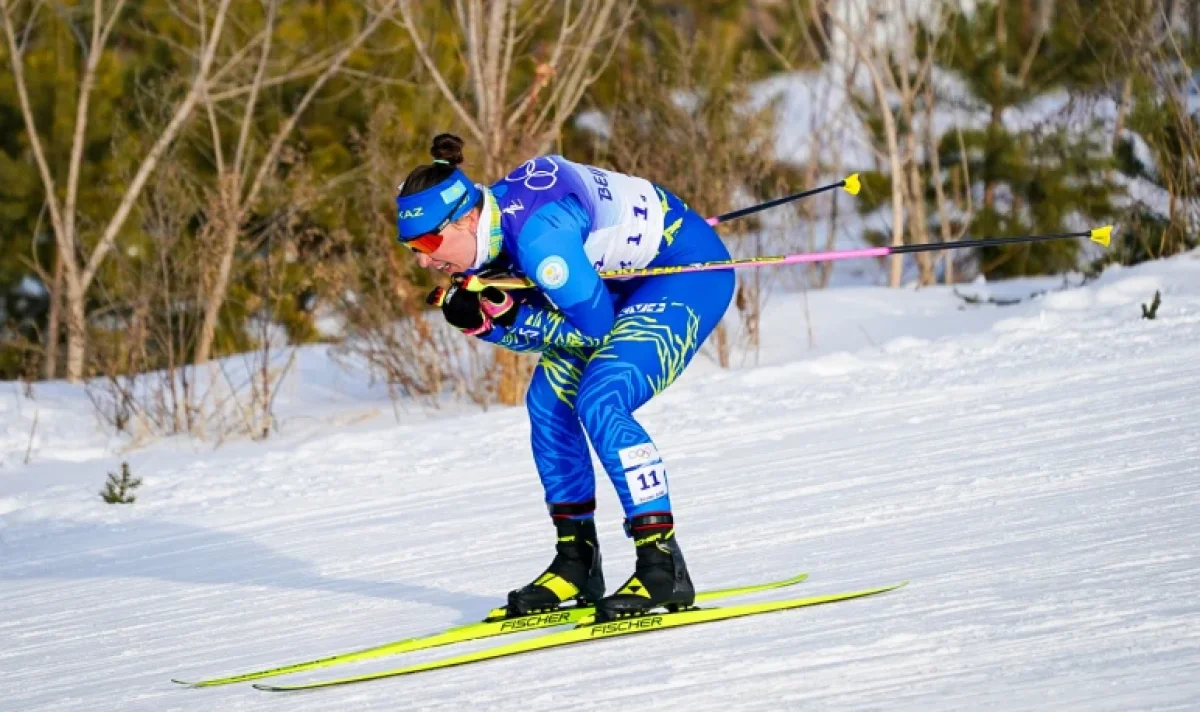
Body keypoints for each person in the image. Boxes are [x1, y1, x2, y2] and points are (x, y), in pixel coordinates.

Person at [395, 134, 735, 621]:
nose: (426, 262)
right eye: (413, 249)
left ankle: (663, 566)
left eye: (429, 243)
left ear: (467, 217)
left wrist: (497, 323)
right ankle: (578, 562)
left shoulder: (539, 240)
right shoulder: (494, 229)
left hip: (684, 275)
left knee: (602, 396)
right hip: (615, 281)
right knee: (548, 402)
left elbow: (590, 333)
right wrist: (498, 314)